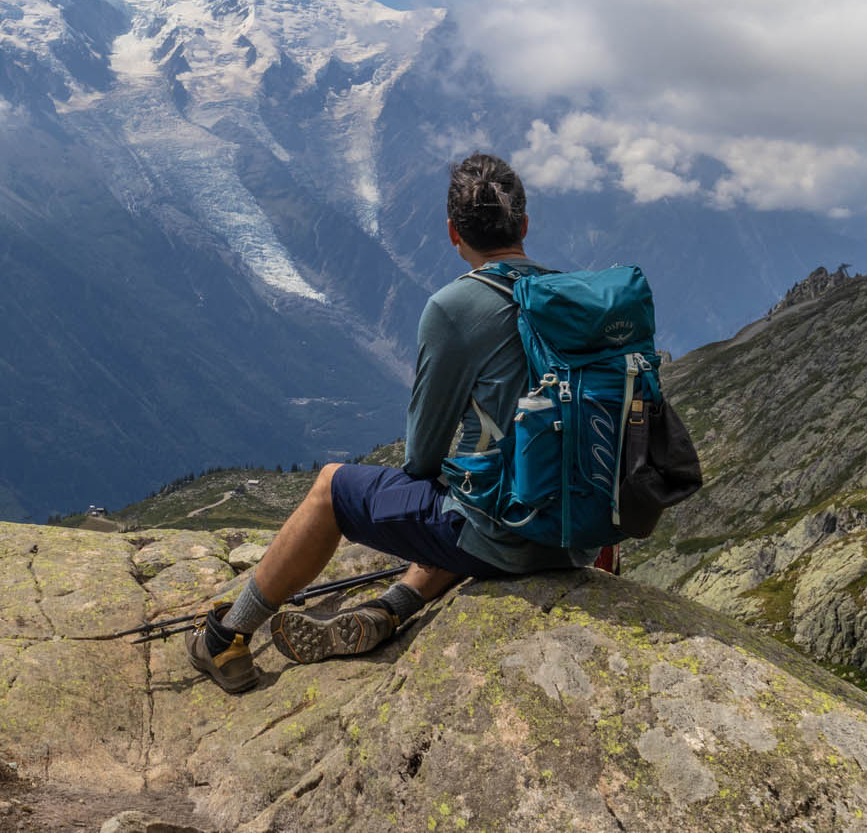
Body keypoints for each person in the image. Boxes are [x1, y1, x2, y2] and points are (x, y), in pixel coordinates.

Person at [187, 152, 598, 693]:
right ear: (524, 226)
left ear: (453, 233)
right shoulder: (577, 300)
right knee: (475, 499)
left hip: (507, 537)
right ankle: (393, 607)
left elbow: (420, 457)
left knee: (335, 486)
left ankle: (222, 638)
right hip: (581, 535)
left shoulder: (457, 307)